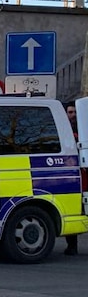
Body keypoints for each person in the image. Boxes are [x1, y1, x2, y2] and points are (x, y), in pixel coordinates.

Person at [65, 101, 79, 255]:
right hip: (73, 174)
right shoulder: (65, 130)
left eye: (75, 112)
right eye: (70, 112)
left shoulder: (83, 129)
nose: (73, 115)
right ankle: (72, 246)